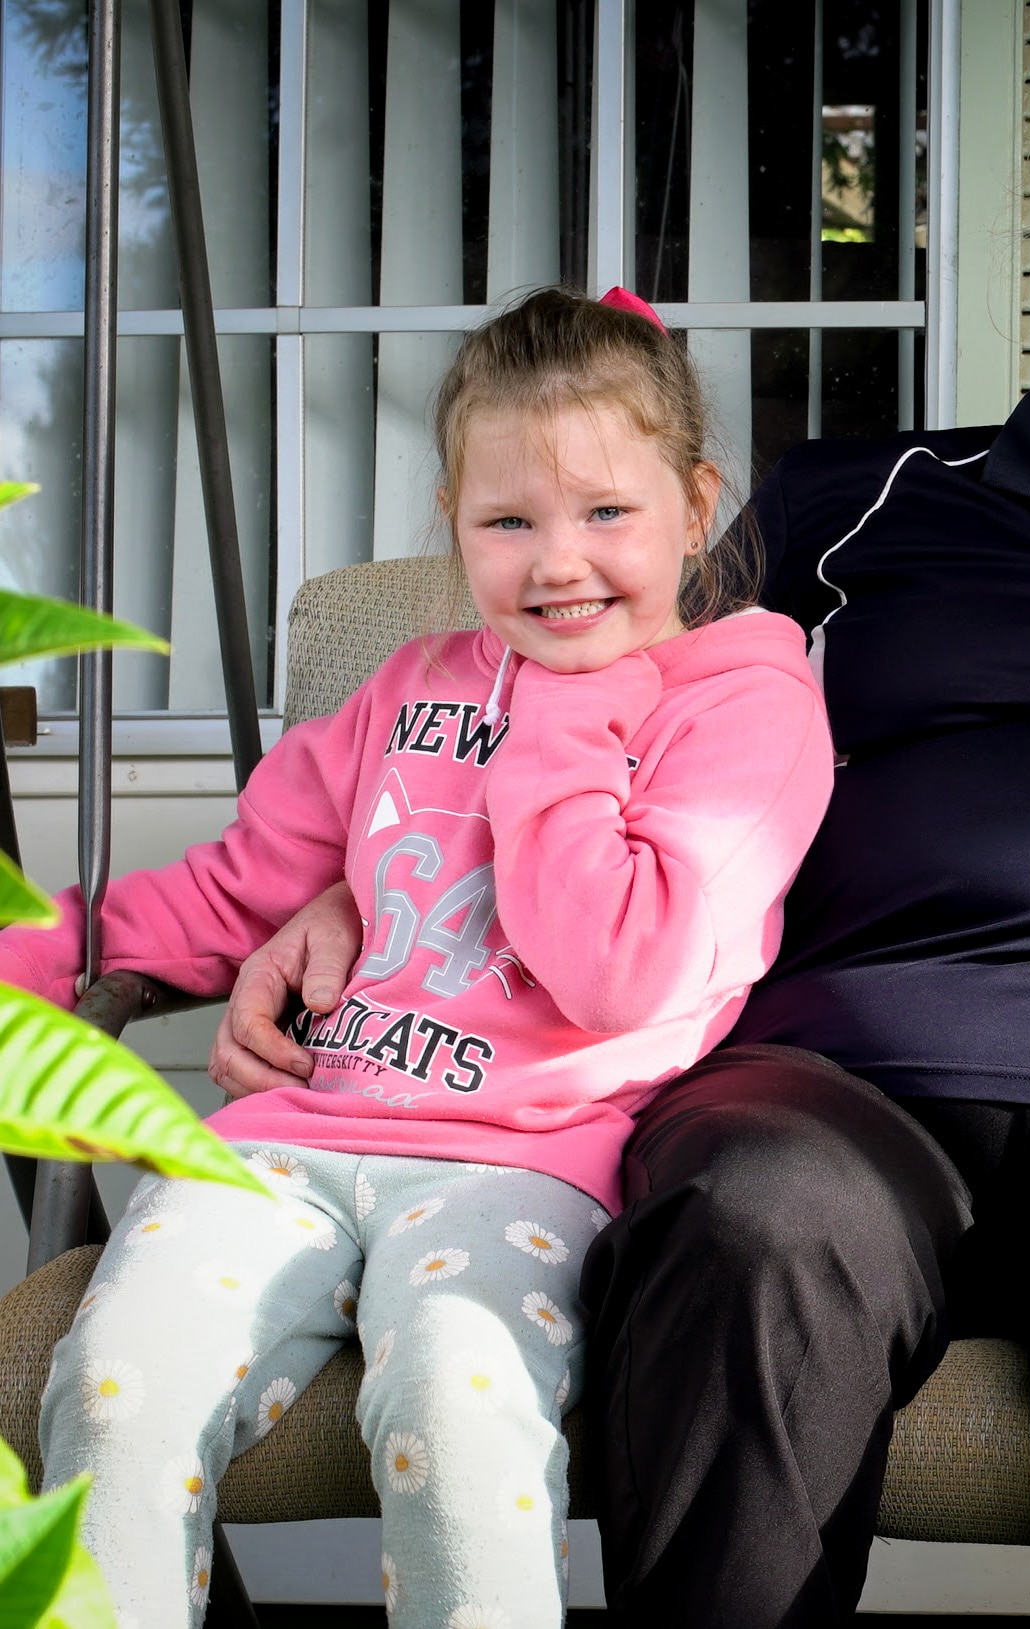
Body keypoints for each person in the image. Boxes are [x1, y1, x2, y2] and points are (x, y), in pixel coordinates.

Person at [209, 47, 1030, 1628]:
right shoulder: (856, 504)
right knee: (755, 1221)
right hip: (849, 1077)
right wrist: (341, 893)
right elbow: (568, 671)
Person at [2, 286, 833, 1629]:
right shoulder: (414, 684)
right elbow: (233, 890)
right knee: (112, 1384)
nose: (559, 563)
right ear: (455, 522)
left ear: (695, 504)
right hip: (294, 1130)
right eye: (509, 521)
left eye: (606, 513)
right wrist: (42, 956)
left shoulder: (742, 696)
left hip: (531, 1160)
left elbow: (618, 966)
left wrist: (560, 715)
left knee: (460, 1413)